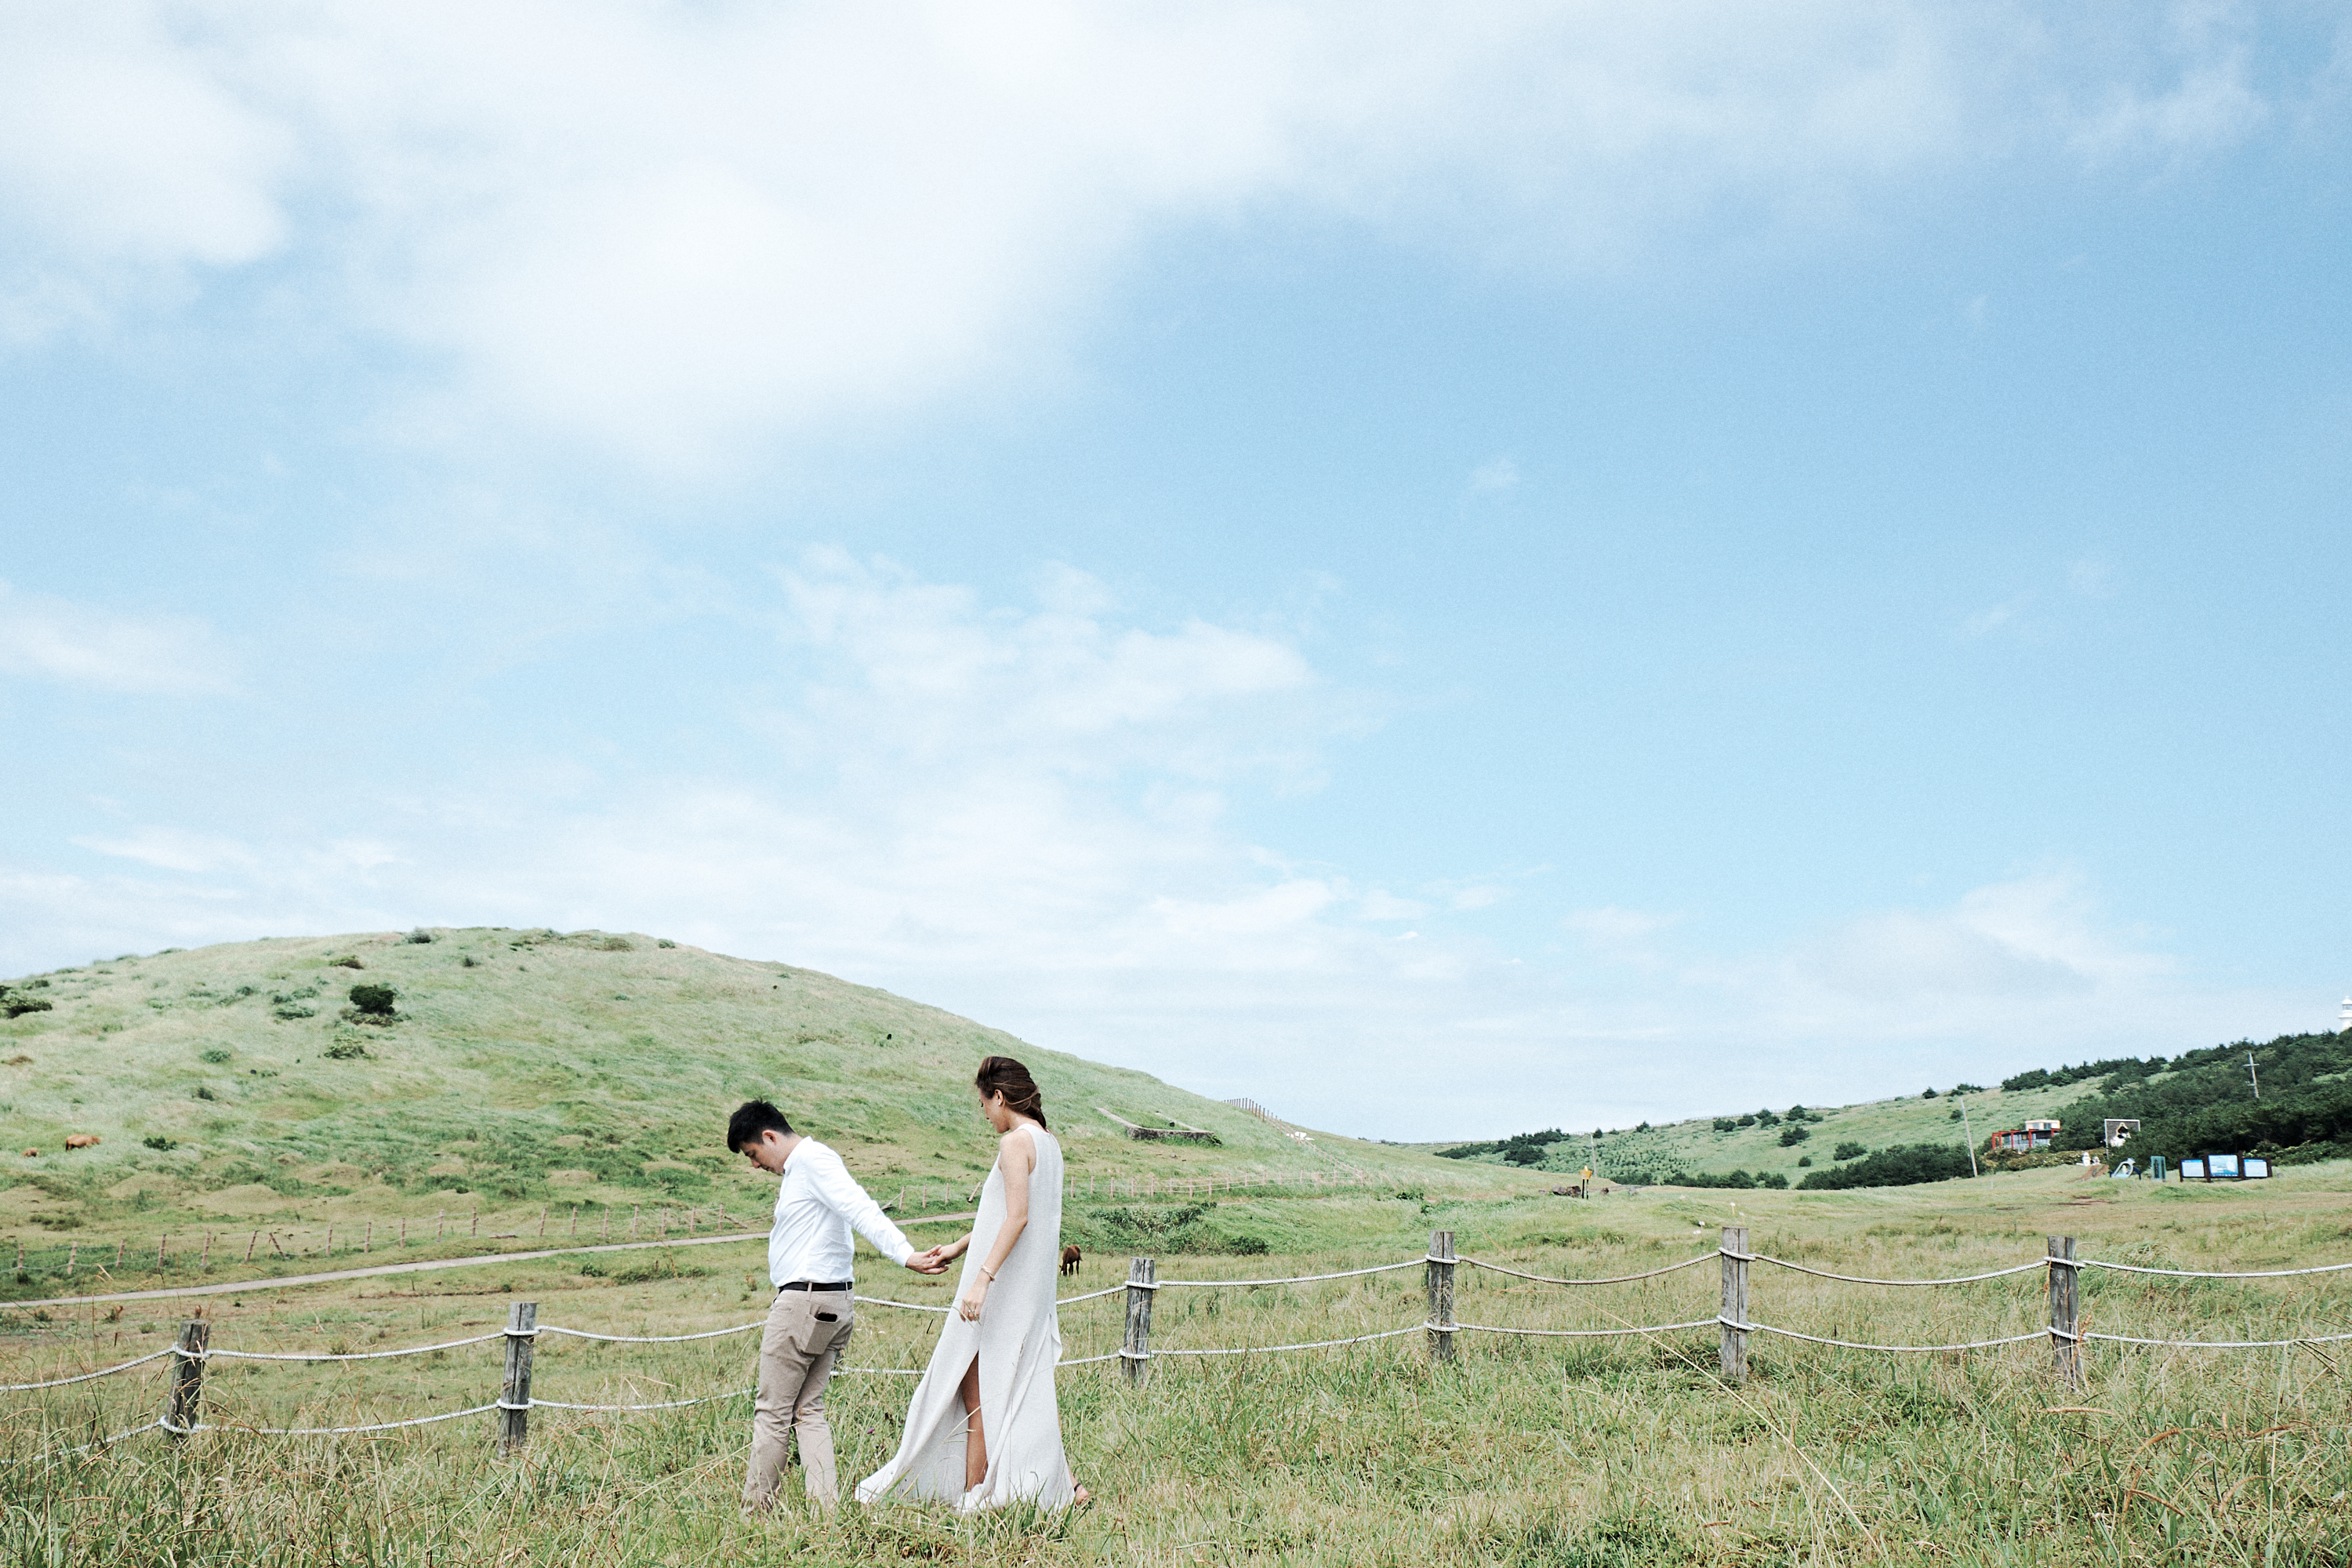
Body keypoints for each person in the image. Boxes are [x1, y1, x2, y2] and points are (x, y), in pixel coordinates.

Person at [855, 1056, 1085, 1512]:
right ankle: (1049, 1483)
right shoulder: (1049, 1144)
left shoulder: (1014, 1145)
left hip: (1006, 1288)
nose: (984, 1115)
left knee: (974, 1381)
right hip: (1031, 1291)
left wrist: (980, 1279)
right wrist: (961, 1246)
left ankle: (981, 1487)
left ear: (999, 1096)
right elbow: (1012, 1215)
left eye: (984, 1104)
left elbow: (1018, 1217)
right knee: (1012, 1381)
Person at [728, 1098, 946, 1515]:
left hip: (803, 1302)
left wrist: (905, 1254)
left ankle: (755, 1514)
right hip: (832, 1302)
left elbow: (859, 1207)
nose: (755, 1166)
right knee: (807, 1409)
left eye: (753, 1155)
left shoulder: (811, 1161)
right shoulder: (807, 1167)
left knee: (772, 1411)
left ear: (770, 1137)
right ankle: (825, 1513)